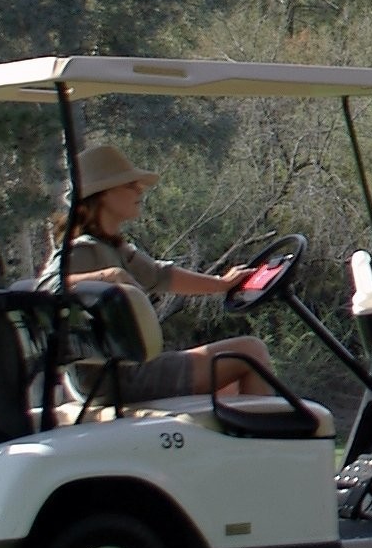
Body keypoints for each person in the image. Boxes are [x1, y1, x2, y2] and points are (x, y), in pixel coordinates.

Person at [49, 142, 272, 403]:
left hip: (121, 373)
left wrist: (222, 284)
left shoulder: (115, 248)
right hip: (117, 379)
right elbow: (48, 289)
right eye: (129, 185)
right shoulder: (83, 250)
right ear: (103, 194)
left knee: (228, 385)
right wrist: (105, 278)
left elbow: (161, 275)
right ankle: (267, 443)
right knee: (250, 352)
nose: (139, 190)